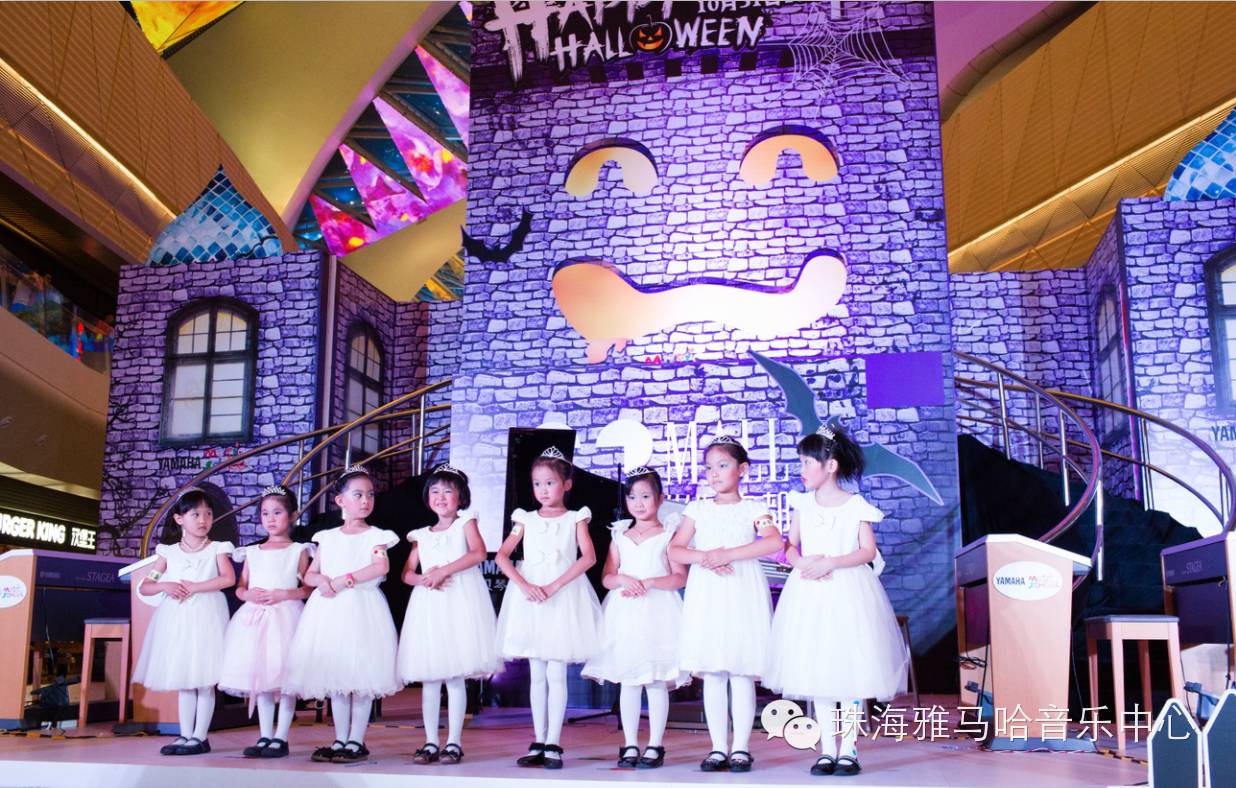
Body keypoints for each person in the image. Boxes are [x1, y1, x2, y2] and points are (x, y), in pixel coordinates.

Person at [764, 425, 909, 777]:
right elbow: (789, 546)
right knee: (818, 670)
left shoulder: (855, 505)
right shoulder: (802, 503)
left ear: (830, 466)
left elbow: (867, 551)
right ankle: (827, 749)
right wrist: (802, 563)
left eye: (807, 462)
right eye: (801, 461)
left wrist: (831, 562)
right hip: (809, 592)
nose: (801, 469)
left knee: (851, 672)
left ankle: (849, 749)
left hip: (847, 591)